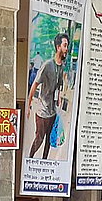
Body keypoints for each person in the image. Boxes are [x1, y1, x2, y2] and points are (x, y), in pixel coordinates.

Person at [26, 31, 69, 159]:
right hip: (42, 110)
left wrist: (60, 100)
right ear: (58, 47)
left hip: (53, 110)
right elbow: (35, 84)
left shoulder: (62, 67)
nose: (66, 49)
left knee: (49, 140)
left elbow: (60, 87)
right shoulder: (47, 65)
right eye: (65, 45)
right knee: (39, 138)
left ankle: (45, 161)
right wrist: (28, 105)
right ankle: (31, 158)